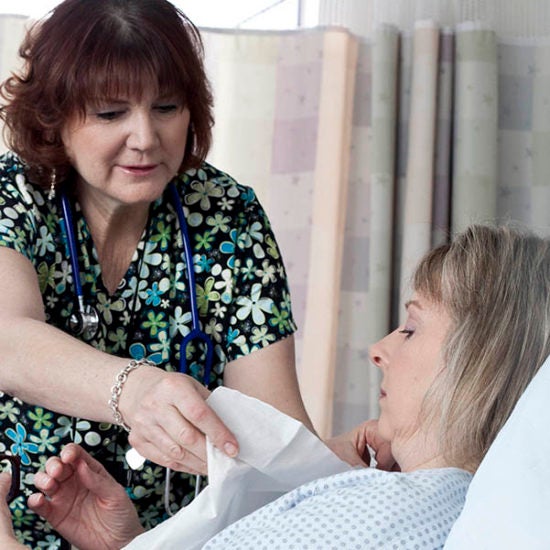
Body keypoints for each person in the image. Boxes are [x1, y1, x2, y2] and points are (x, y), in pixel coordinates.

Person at [1, 223, 548, 549]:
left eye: (411, 327)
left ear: (479, 360)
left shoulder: (376, 516)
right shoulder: (415, 509)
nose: (378, 349)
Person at [0, 0, 320, 546]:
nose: (146, 137)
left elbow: (277, 441)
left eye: (167, 107)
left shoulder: (228, 215)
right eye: (110, 113)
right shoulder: (15, 194)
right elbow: (7, 340)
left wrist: (340, 475)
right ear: (54, 118)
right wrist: (137, 389)